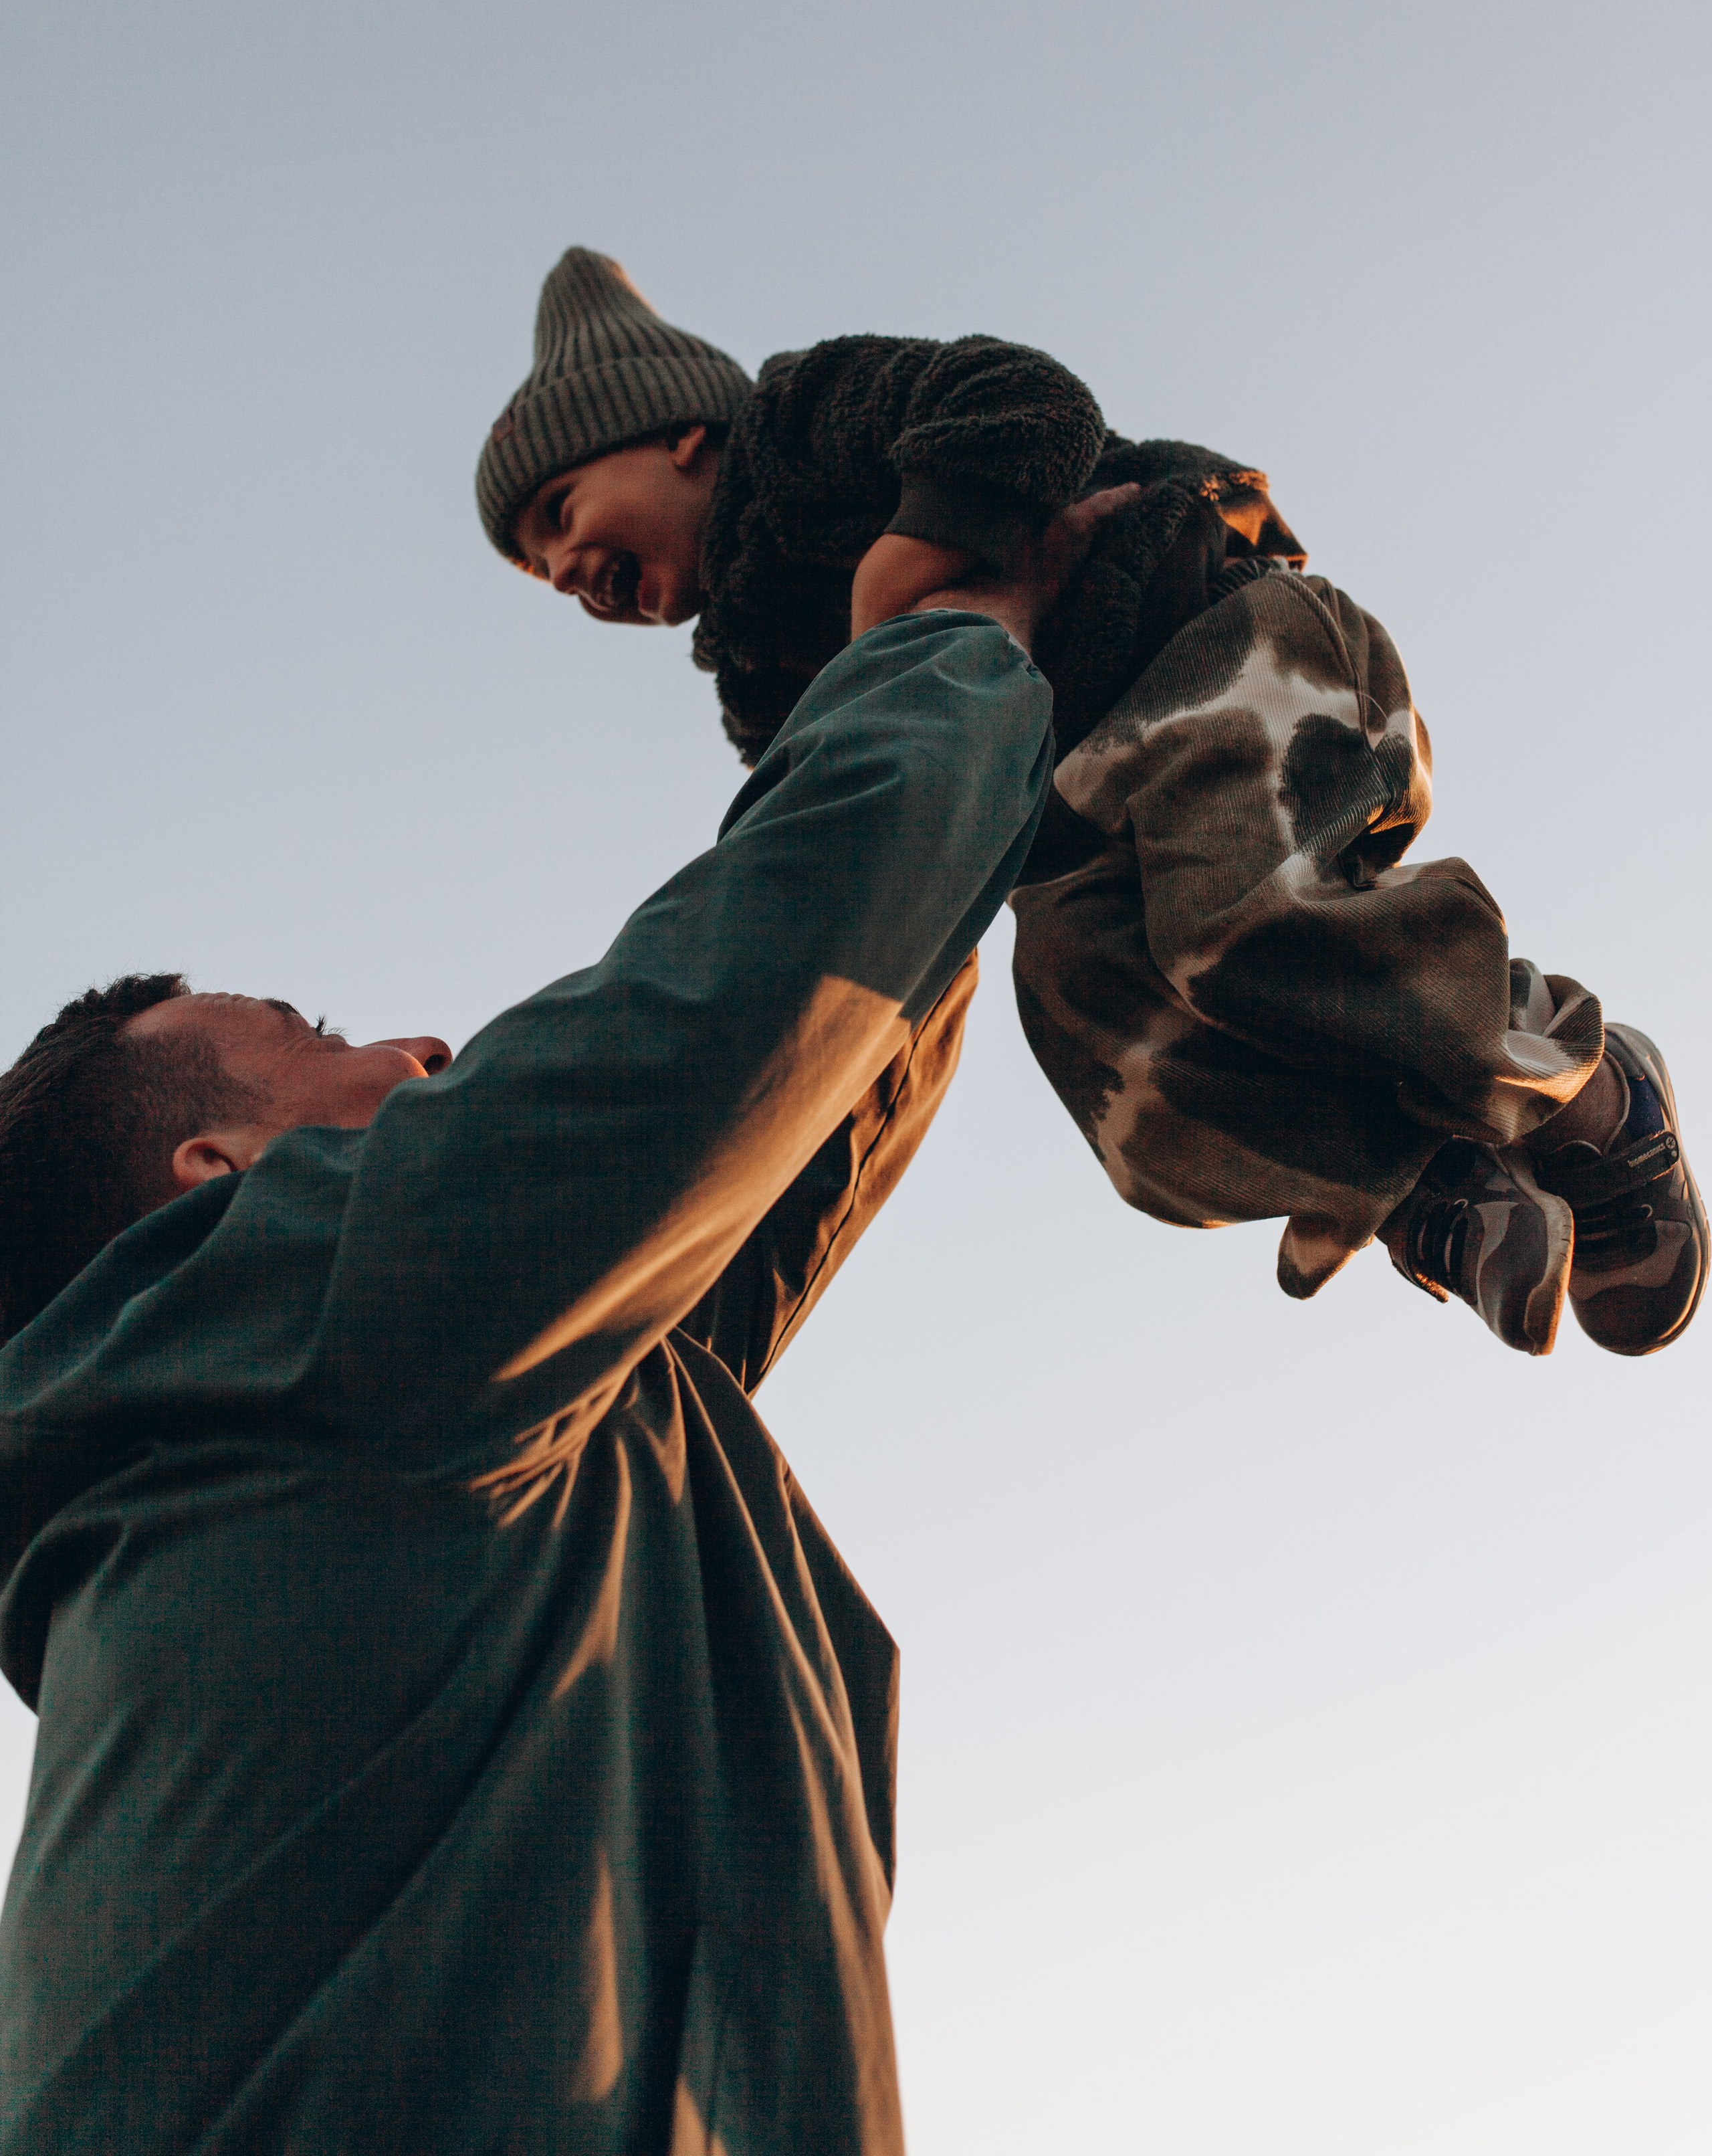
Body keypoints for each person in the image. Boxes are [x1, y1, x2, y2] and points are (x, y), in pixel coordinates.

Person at [0, 559, 1090, 2152]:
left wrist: (943, 741)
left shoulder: (395, 1445)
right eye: (313, 1035)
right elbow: (732, 1009)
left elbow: (791, 1092)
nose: (417, 1049)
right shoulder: (293, 1324)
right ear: (216, 1184)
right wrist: (958, 615)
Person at [475, 246, 1705, 1361]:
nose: (568, 576)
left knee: (1245, 920)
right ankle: (1422, 1178)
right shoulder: (749, 675)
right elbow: (833, 814)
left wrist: (896, 583)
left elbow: (1029, 399)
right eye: (541, 574)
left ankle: (1585, 1088)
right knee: (1125, 1085)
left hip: (1209, 651)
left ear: (674, 434)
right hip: (1076, 823)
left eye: (559, 518)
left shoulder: (805, 420)